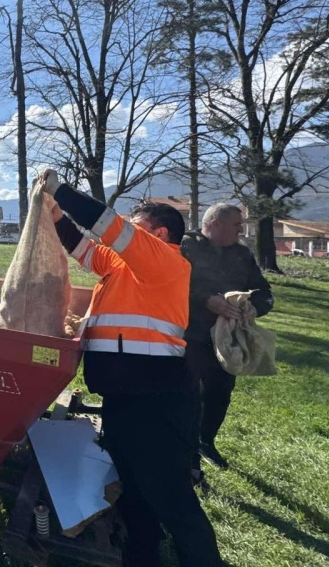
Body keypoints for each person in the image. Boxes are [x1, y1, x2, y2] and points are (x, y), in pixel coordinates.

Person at [41, 170, 222, 567]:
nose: (124, 236)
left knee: (172, 499)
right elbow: (82, 246)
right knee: (135, 495)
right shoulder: (122, 267)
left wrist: (59, 188)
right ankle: (142, 558)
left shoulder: (165, 263)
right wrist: (54, 215)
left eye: (136, 229)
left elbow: (107, 226)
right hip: (124, 400)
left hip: (155, 404)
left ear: (157, 235)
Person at [182, 203, 273, 472]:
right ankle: (184, 447)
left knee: (220, 392)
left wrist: (254, 306)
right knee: (187, 393)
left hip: (227, 339)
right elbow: (172, 285)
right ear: (216, 224)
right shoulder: (186, 247)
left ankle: (206, 441)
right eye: (236, 224)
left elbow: (263, 291)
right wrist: (206, 301)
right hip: (191, 333)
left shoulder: (242, 254)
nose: (241, 230)